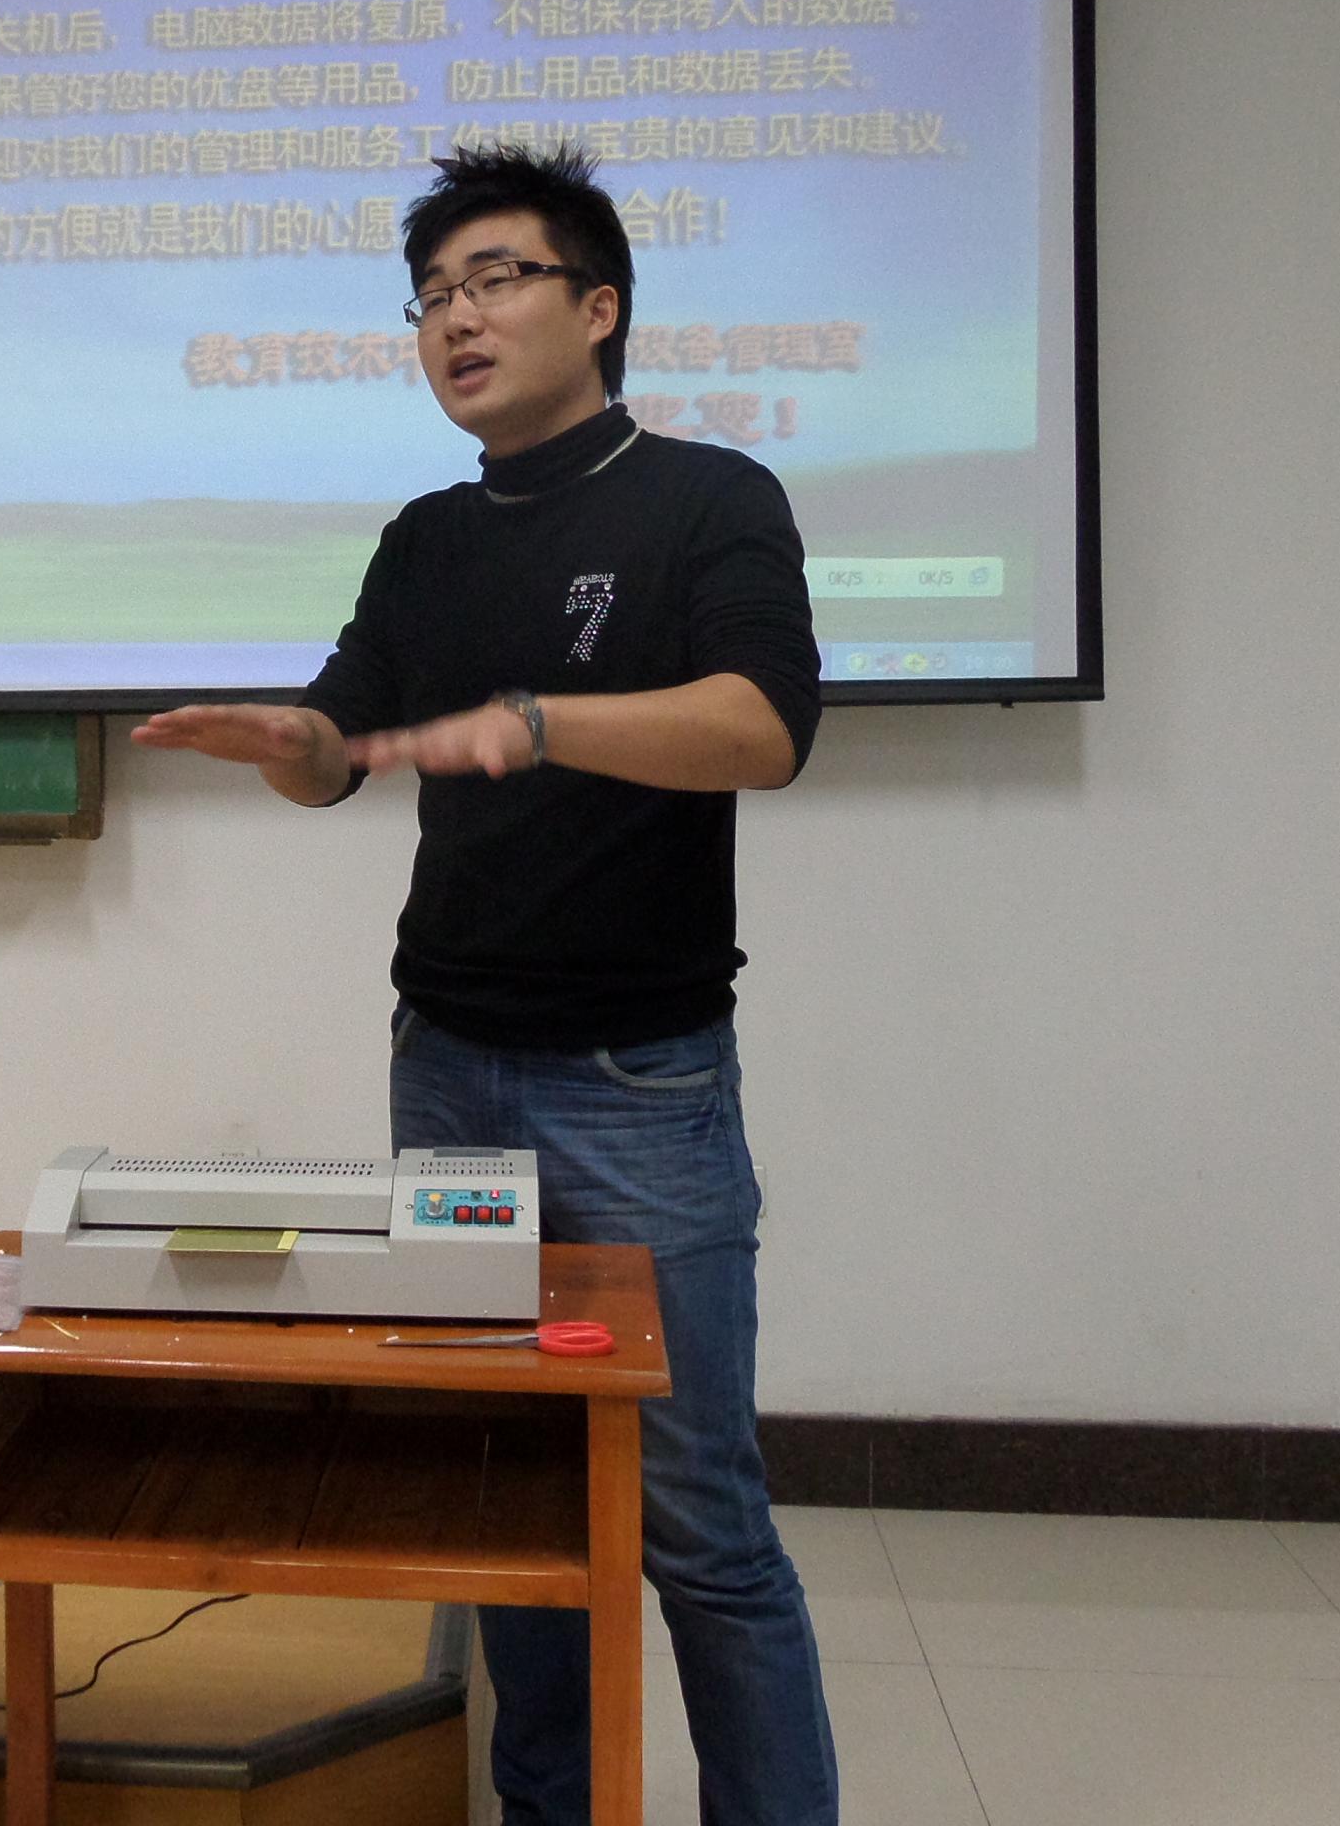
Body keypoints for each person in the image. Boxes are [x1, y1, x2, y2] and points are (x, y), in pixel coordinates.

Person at [132, 143, 840, 1826]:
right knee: (511, 1501)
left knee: (700, 1525)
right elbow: (342, 742)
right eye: (432, 296)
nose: (456, 318)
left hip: (641, 1083)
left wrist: (538, 722)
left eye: (495, 279)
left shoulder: (712, 499)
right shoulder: (430, 538)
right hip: (448, 1069)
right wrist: (290, 742)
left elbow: (764, 729)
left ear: (598, 311)